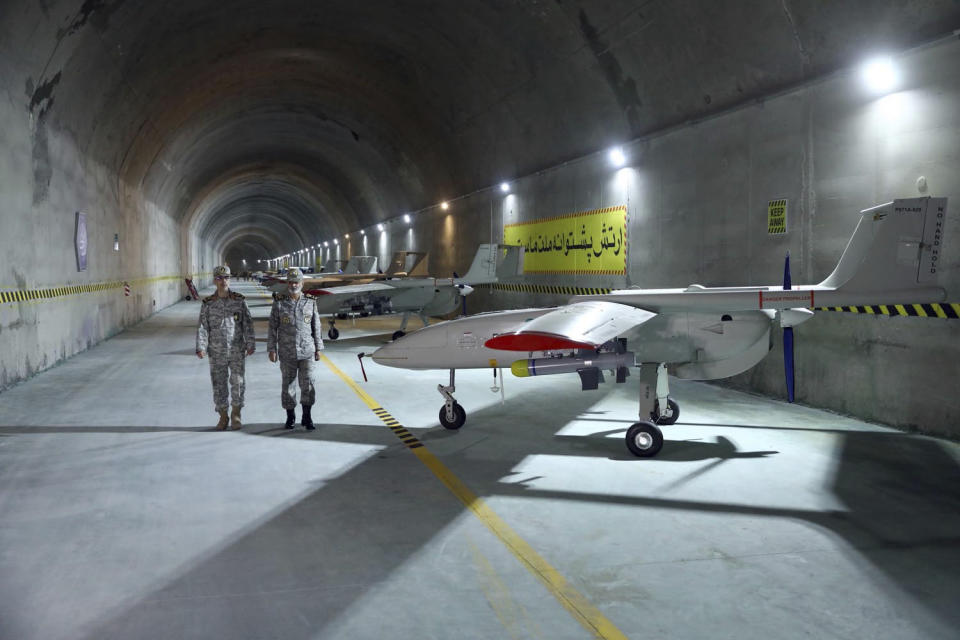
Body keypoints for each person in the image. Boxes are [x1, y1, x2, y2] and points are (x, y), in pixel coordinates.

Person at [196, 265, 256, 430]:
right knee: (219, 384)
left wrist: (250, 343)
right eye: (220, 278)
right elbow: (203, 326)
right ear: (215, 280)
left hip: (236, 348)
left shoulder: (239, 301)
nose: (224, 281)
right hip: (216, 351)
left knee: (237, 382)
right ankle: (223, 416)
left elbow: (247, 324)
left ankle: (236, 414)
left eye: (227, 278)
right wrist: (201, 346)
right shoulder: (208, 304)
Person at [267, 267, 323, 430]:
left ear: (302, 283)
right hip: (287, 351)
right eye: (290, 282)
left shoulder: (311, 302)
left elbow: (316, 326)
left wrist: (318, 348)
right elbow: (272, 327)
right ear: (287, 283)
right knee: (288, 385)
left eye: (296, 282)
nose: (293, 285)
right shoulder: (279, 302)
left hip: (307, 351)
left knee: (308, 384)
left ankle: (307, 416)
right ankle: (290, 417)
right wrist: (272, 349)